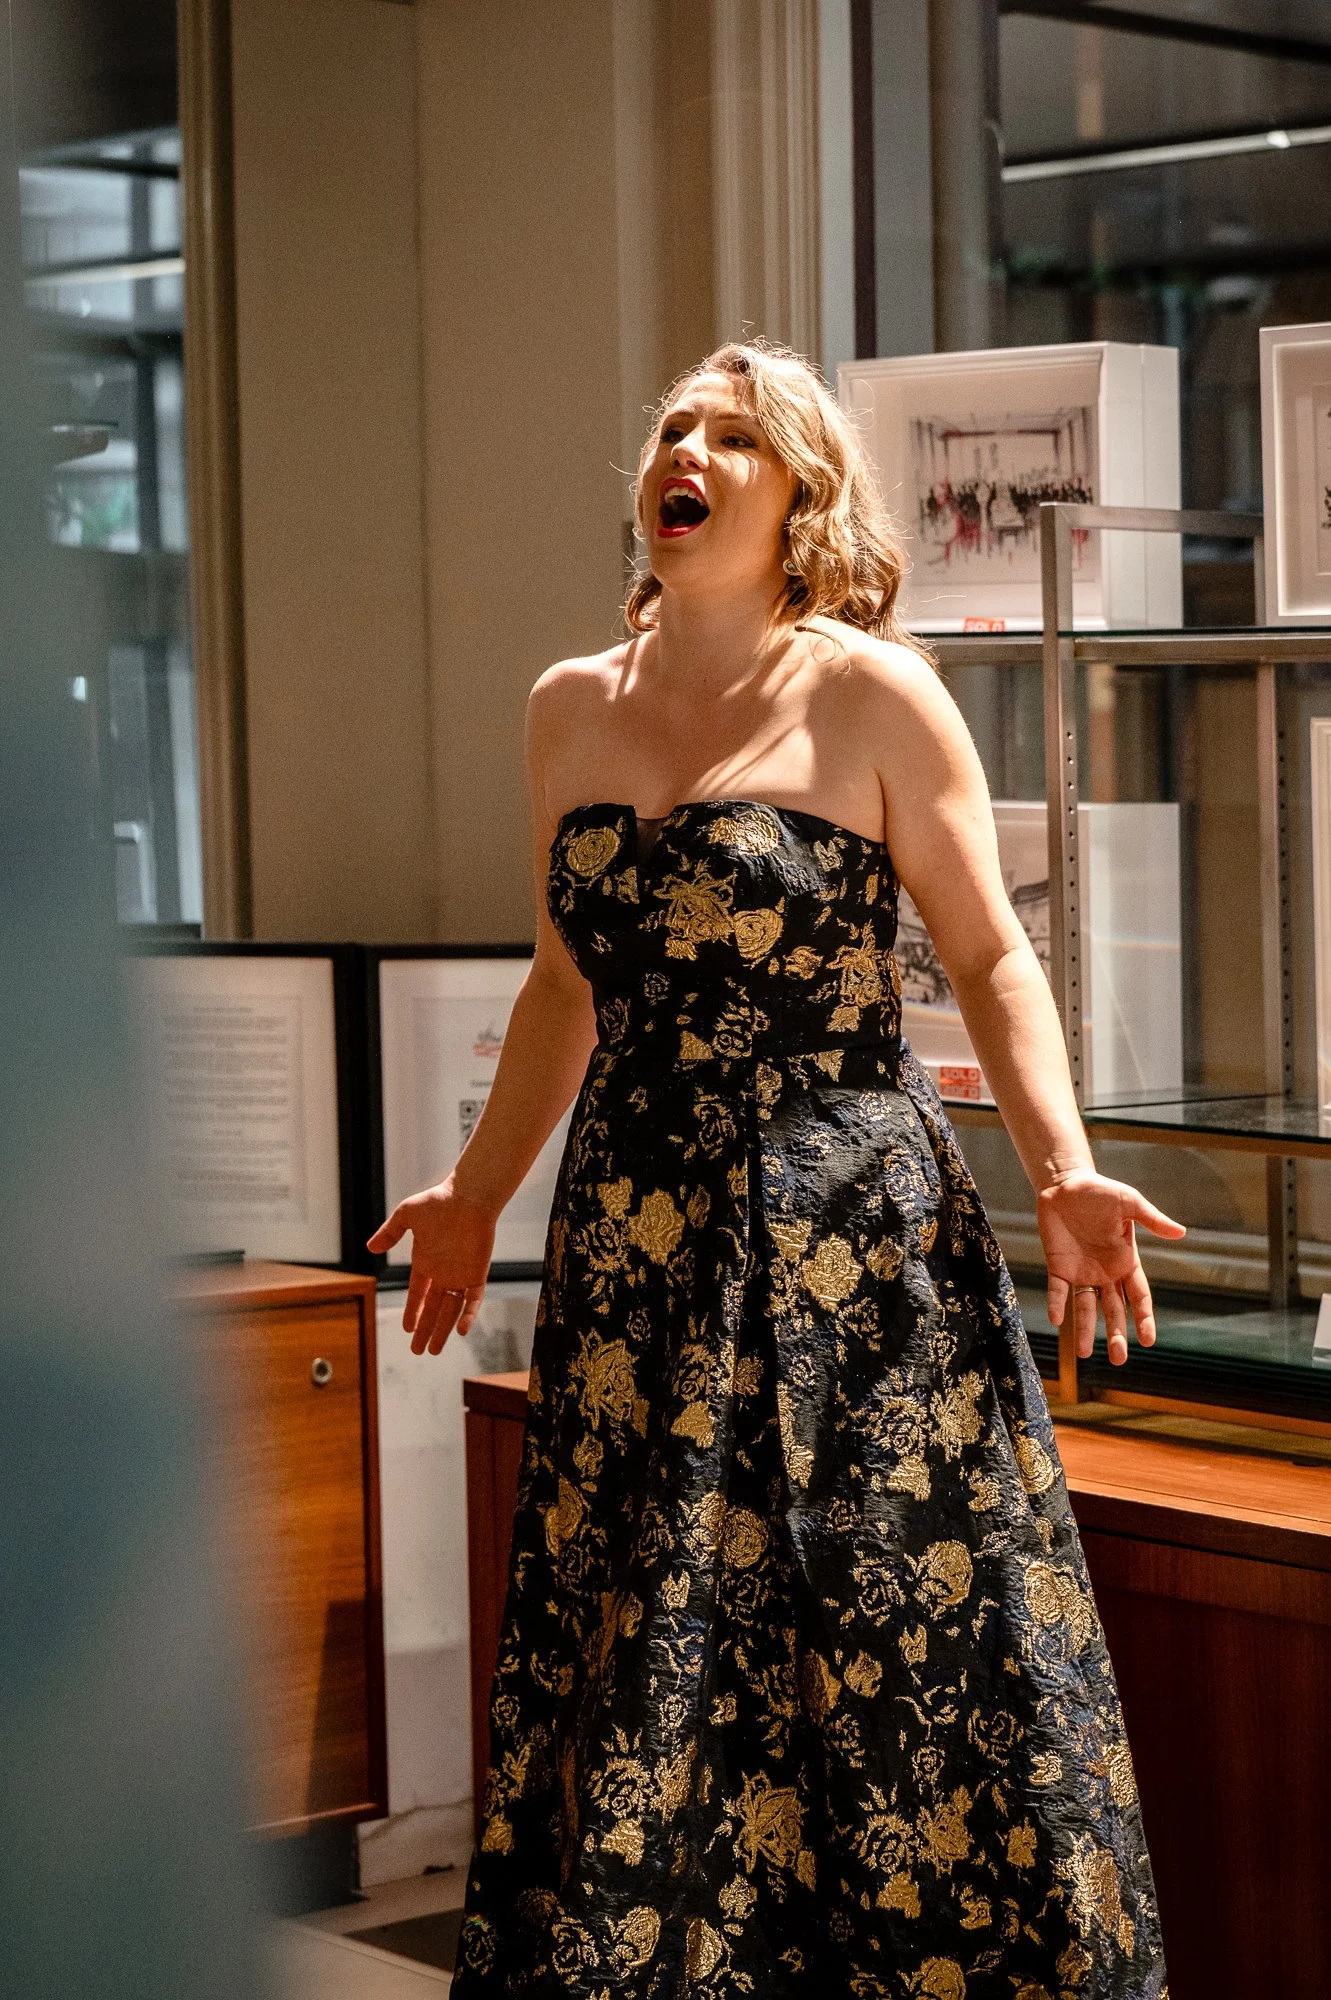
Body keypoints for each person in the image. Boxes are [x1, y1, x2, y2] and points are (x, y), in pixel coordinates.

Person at [369, 340, 1182, 1998]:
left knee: (879, 1602)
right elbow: (560, 984)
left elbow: (989, 956)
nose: (688, 448)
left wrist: (1067, 1171)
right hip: (638, 1229)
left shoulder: (869, 693)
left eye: (732, 433)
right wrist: (473, 1193)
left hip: (845, 1233)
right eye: (674, 426)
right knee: (655, 1606)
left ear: (798, 494)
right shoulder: (568, 706)